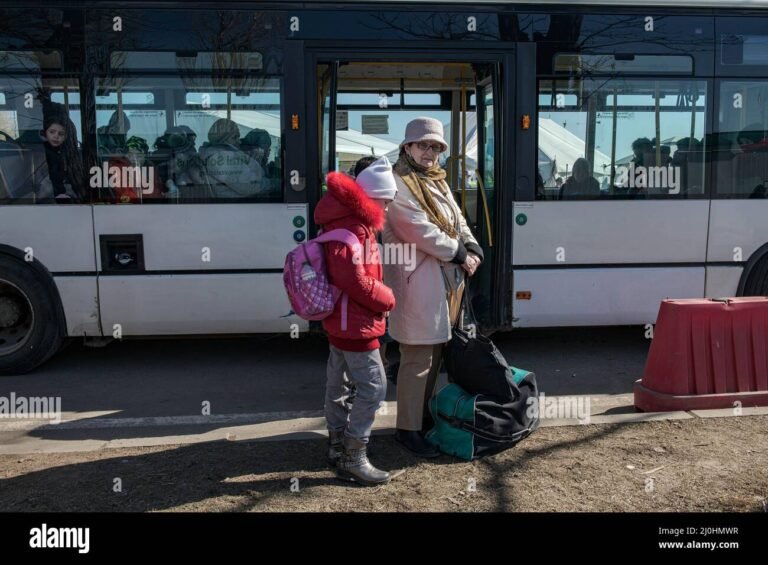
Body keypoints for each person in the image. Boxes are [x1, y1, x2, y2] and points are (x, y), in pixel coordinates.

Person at [383, 117, 483, 458]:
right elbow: (415, 229)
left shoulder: (436, 181)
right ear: (407, 147)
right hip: (418, 282)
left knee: (436, 354)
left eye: (436, 147)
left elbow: (459, 220)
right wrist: (459, 253)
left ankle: (421, 420)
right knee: (418, 358)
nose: (430, 152)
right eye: (423, 145)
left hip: (445, 281)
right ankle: (407, 430)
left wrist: (472, 248)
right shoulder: (398, 183)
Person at [314, 155, 398, 486]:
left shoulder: (340, 219)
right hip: (356, 321)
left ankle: (336, 445)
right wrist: (387, 298)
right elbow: (354, 281)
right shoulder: (354, 228)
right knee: (374, 387)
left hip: (341, 319)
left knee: (339, 383)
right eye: (385, 201)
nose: (388, 209)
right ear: (371, 197)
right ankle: (354, 454)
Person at [199, 118, 264, 198]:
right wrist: (272, 184)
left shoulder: (221, 155)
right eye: (234, 137)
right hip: (237, 204)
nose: (239, 141)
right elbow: (250, 186)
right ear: (222, 139)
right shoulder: (220, 159)